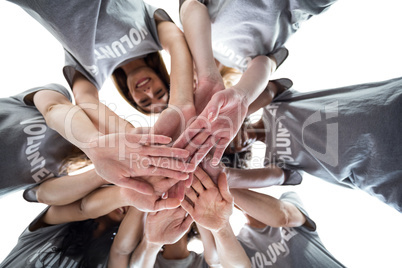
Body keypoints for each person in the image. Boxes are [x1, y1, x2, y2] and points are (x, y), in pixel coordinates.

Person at [174, 0, 337, 167]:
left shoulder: (192, 34)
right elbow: (269, 64)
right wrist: (242, 96)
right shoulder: (248, 69)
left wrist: (206, 75)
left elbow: (191, 6)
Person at [229, 77, 402, 212]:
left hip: (390, 108)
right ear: (238, 152)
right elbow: (276, 176)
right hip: (386, 174)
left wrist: (232, 115)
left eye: (225, 137)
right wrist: (225, 175)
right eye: (229, 148)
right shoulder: (273, 161)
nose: (233, 141)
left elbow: (269, 88)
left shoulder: (273, 102)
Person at [0, 83, 193, 197]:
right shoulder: (60, 94)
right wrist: (93, 142)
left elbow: (44, 195)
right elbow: (54, 110)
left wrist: (123, 175)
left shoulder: (67, 167)